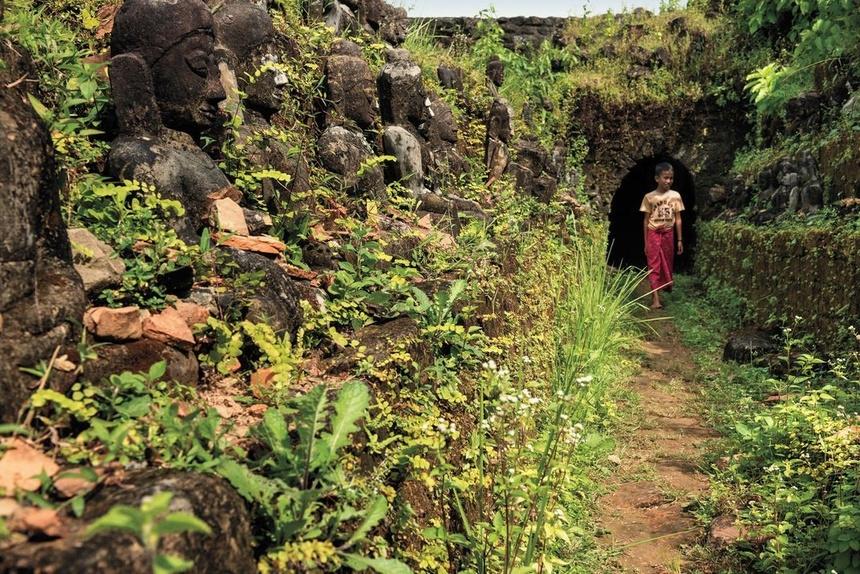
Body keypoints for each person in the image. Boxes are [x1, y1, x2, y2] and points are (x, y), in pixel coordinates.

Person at [640, 162, 685, 310]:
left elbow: (678, 218)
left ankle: (666, 285)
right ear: (657, 178)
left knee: (667, 262)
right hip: (653, 233)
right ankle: (655, 299)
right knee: (653, 265)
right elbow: (646, 220)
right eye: (665, 178)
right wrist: (646, 242)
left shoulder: (675, 196)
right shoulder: (649, 197)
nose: (668, 181)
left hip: (668, 233)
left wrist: (679, 239)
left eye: (671, 178)